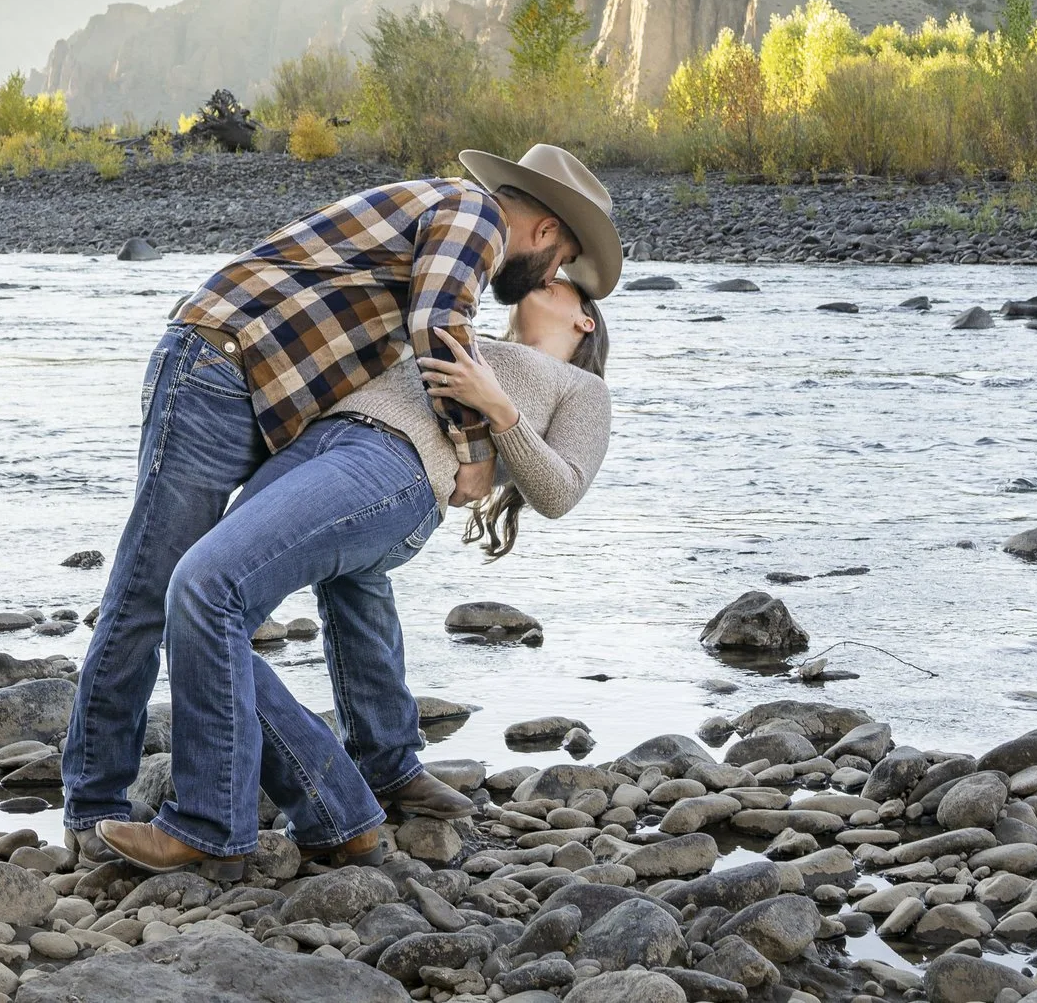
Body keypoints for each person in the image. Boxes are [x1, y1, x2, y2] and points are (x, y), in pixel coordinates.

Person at [60, 144, 623, 867]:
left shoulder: (578, 389)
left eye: (568, 283)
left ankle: (206, 821)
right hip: (273, 412)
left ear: (586, 327)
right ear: (545, 231)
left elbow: (560, 489)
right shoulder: (472, 231)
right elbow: (434, 324)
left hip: (371, 462)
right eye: (562, 260)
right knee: (181, 599)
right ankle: (348, 799)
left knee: (195, 589)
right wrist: (478, 438)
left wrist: (495, 421)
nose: (553, 276)